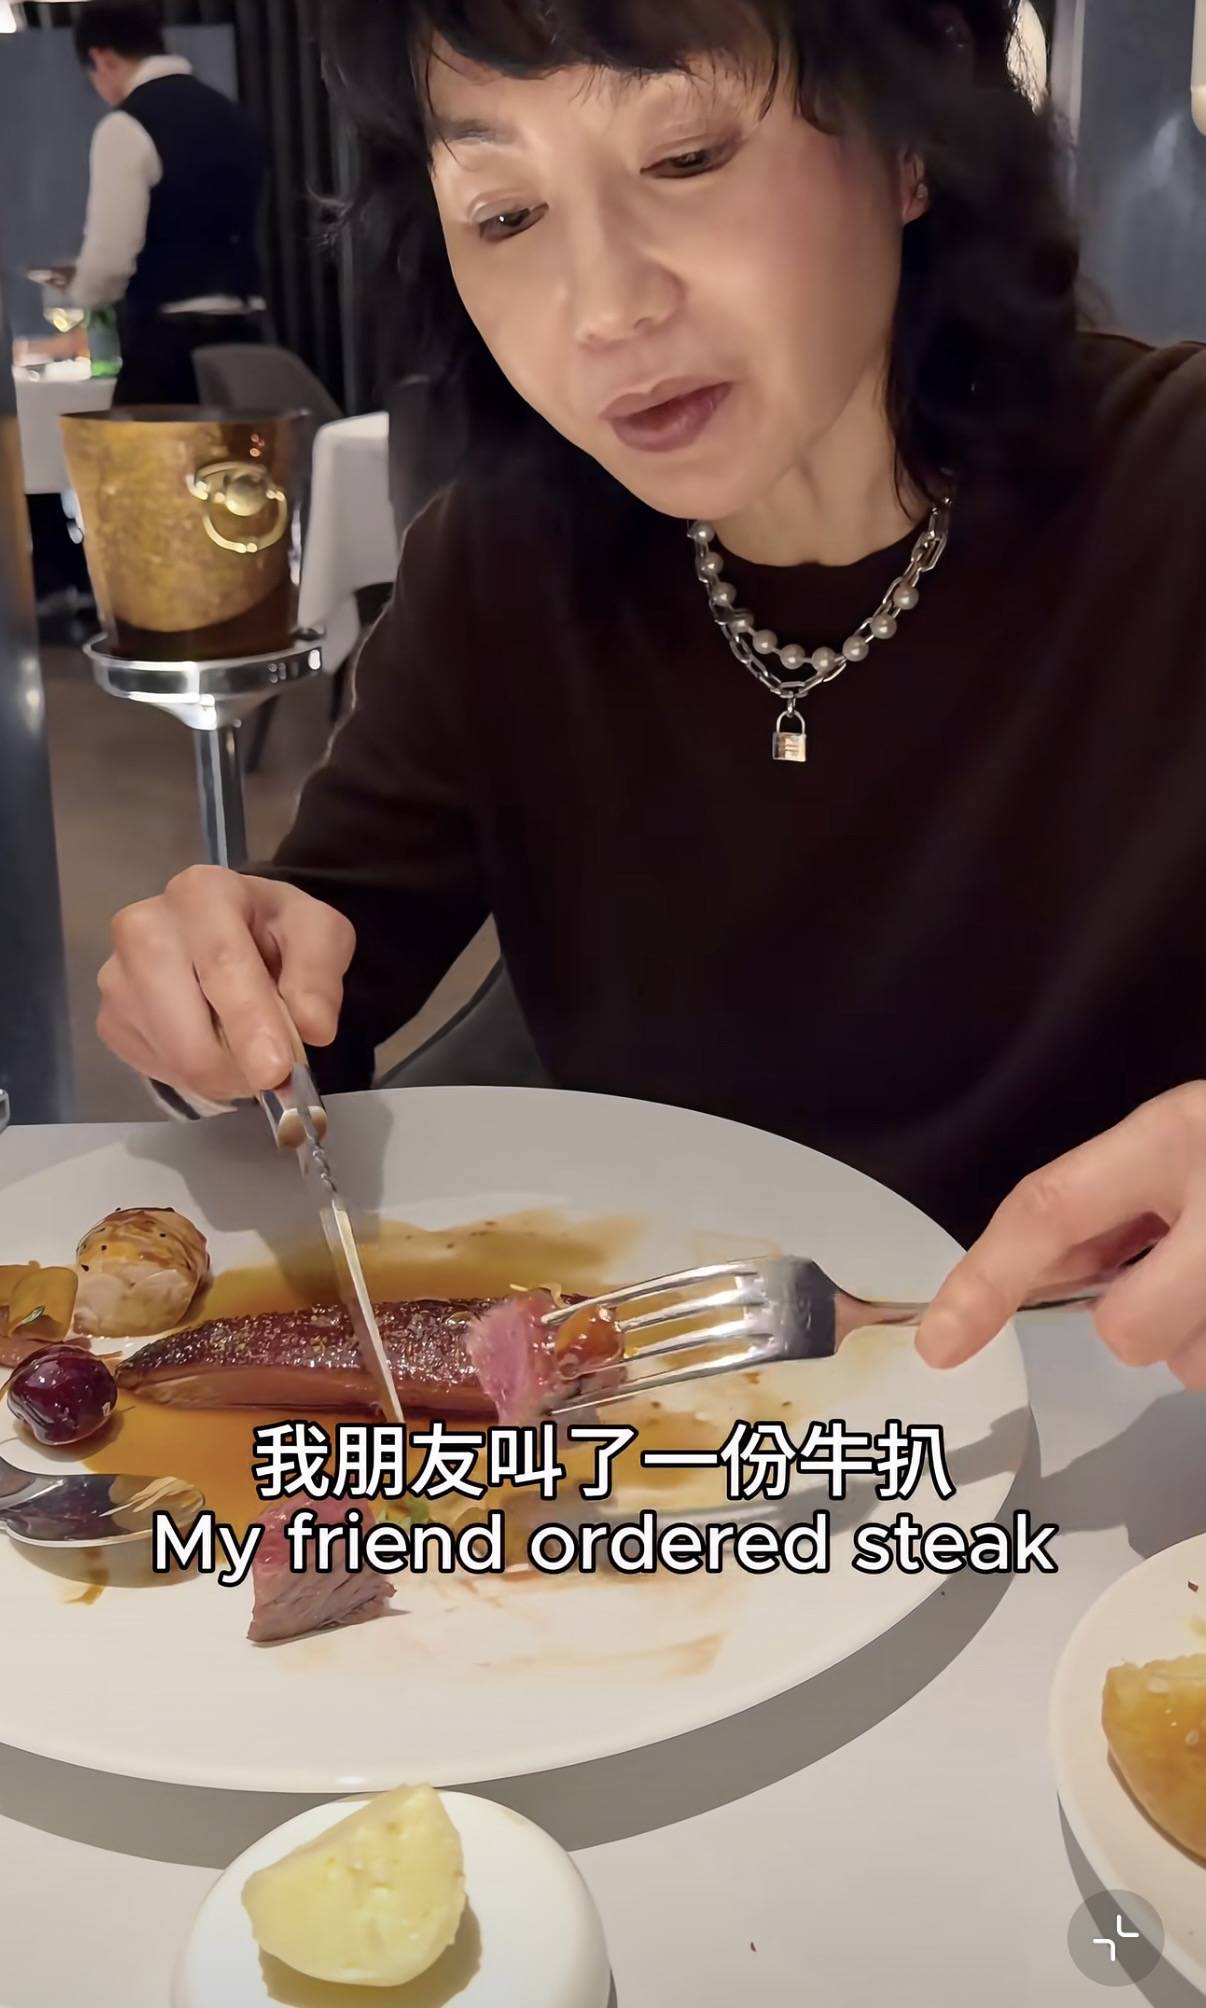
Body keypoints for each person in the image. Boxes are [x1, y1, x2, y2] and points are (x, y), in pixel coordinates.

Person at [98, 0, 1206, 1390]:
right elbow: (316, 978)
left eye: (686, 158)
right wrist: (215, 999)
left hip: (1127, 1447)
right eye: (506, 213)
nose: (605, 309)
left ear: (911, 135)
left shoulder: (1173, 495)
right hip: (685, 1451)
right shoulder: (502, 571)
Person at [54, 1, 266, 404]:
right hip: (247, 344)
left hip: (169, 352)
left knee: (131, 448)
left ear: (102, 58)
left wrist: (81, 291)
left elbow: (110, 260)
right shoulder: (233, 115)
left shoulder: (126, 125)